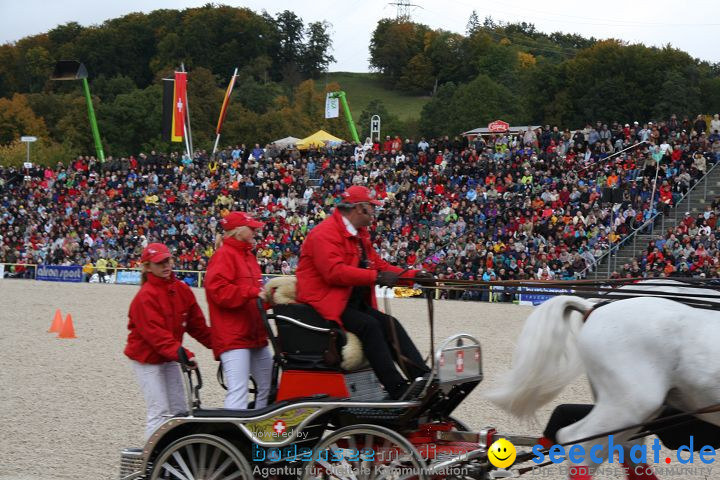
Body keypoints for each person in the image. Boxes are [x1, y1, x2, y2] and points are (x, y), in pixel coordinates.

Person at [295, 185, 432, 400]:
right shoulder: (324, 234)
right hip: (325, 305)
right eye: (372, 207)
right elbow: (334, 272)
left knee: (390, 324)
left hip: (347, 303)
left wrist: (414, 276)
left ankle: (422, 378)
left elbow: (380, 266)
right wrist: (375, 277)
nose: (374, 212)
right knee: (371, 326)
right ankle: (396, 388)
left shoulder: (359, 236)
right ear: (360, 209)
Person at [124, 243, 213, 440]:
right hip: (146, 358)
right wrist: (183, 354)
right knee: (159, 412)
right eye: (159, 263)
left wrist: (221, 345)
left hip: (168, 355)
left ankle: (174, 454)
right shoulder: (144, 297)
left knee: (180, 409)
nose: (166, 265)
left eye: (168, 260)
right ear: (147, 267)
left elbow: (197, 325)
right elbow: (157, 337)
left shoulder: (181, 289)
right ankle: (151, 465)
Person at [204, 211, 272, 410]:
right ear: (238, 231)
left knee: (269, 387)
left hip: (253, 333)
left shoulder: (247, 256)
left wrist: (269, 299)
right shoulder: (224, 255)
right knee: (239, 390)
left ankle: (259, 432)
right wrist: (252, 292)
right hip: (233, 335)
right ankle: (235, 437)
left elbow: (253, 296)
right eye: (251, 228)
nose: (255, 231)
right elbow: (219, 292)